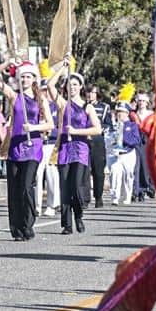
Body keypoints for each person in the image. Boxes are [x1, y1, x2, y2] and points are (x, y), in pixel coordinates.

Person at [0, 60, 53, 241]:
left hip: (33, 147)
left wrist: (33, 128)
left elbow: (50, 124)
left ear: (34, 78)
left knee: (26, 186)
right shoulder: (13, 96)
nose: (24, 79)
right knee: (14, 190)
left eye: (28, 76)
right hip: (15, 147)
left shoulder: (41, 99)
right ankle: (17, 229)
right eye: (22, 76)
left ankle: (28, 223)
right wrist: (8, 63)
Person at [48, 66, 101, 234]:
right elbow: (50, 85)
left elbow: (97, 129)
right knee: (64, 186)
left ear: (80, 87)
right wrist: (62, 69)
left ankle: (78, 215)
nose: (72, 87)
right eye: (69, 84)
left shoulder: (88, 107)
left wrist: (77, 131)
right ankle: (67, 224)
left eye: (75, 84)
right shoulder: (63, 104)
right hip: (64, 148)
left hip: (80, 148)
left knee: (76, 186)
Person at [35, 82, 60, 216]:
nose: (45, 94)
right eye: (43, 91)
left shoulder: (56, 107)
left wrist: (51, 130)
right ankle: (36, 206)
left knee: (52, 174)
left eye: (47, 91)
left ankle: (52, 205)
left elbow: (60, 126)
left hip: (51, 143)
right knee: (37, 174)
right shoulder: (37, 106)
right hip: (38, 143)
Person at [110, 103, 142, 205]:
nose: (120, 114)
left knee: (128, 176)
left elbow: (136, 140)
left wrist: (123, 138)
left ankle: (127, 196)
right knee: (114, 173)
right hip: (116, 154)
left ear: (127, 113)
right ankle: (115, 197)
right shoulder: (113, 126)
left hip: (128, 153)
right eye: (118, 112)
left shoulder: (132, 125)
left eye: (122, 112)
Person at [86, 86, 111, 208]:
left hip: (97, 140)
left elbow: (108, 124)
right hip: (83, 138)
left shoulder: (104, 107)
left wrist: (99, 130)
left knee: (98, 171)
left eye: (92, 92)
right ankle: (85, 197)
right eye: (88, 92)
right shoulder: (81, 105)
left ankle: (98, 196)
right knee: (83, 170)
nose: (90, 95)